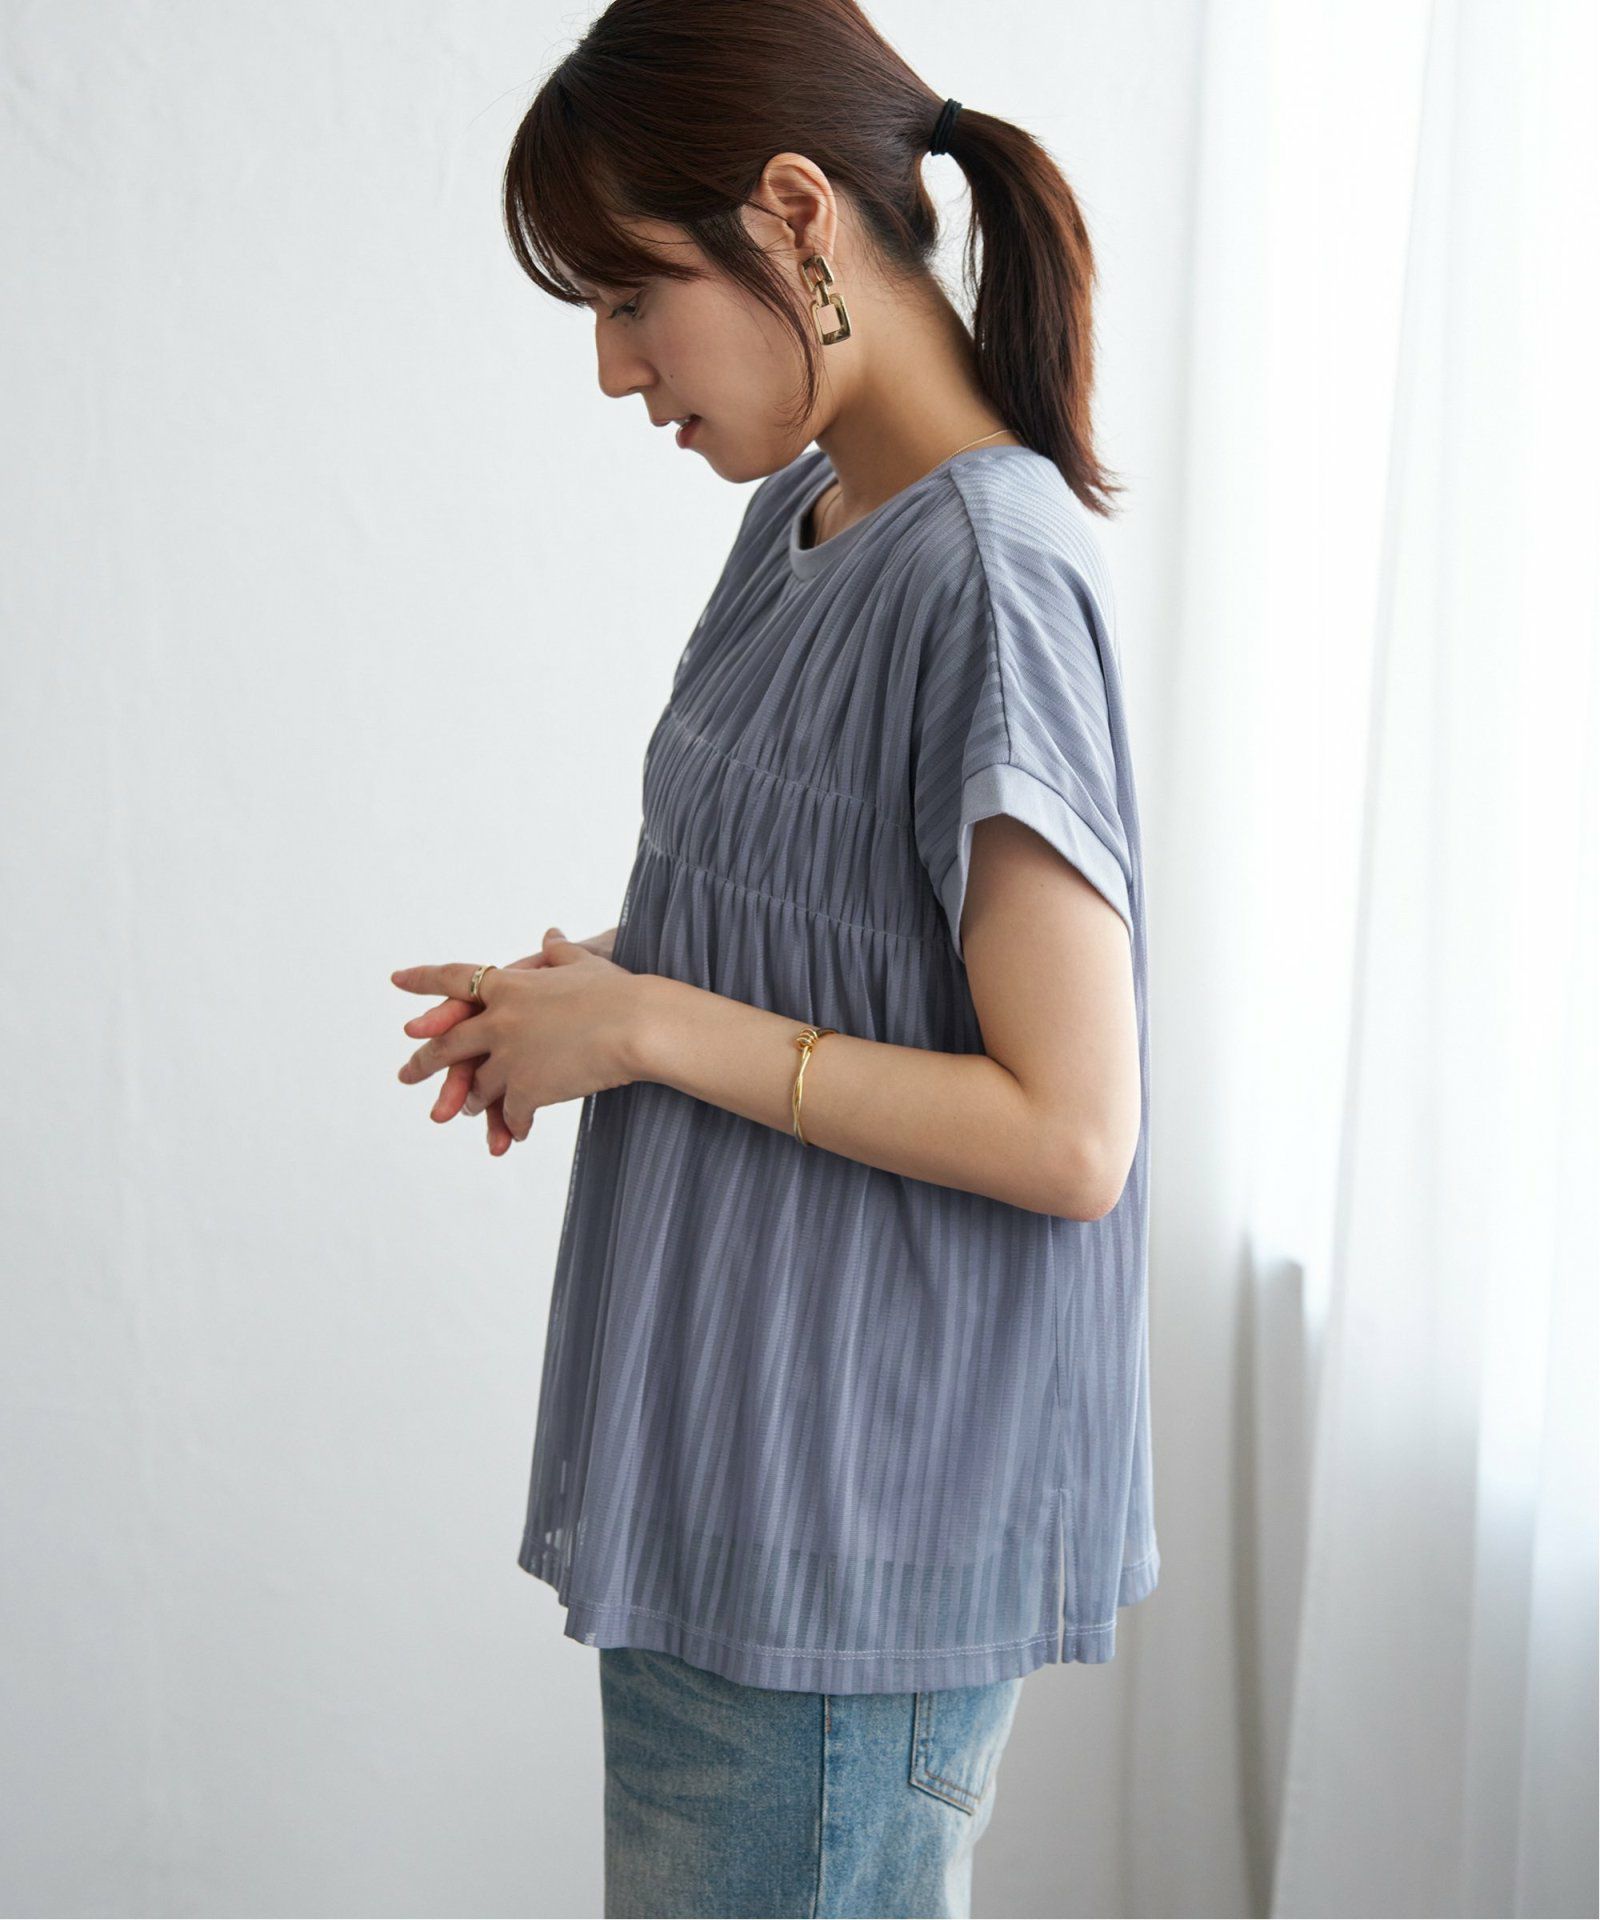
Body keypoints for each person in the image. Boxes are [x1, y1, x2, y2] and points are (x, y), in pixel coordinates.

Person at [389, 2, 1159, 1913]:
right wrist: (592, 995)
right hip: (735, 1495)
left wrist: (649, 1024)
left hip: (849, 1547)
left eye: (630, 297)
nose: (611, 367)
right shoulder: (800, 520)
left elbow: (1072, 1131)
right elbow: (829, 934)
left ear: (796, 216)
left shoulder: (990, 576)